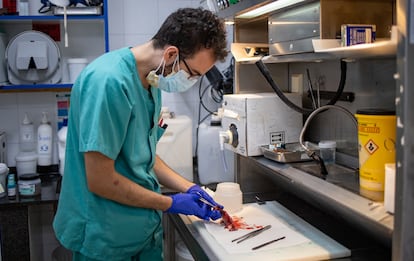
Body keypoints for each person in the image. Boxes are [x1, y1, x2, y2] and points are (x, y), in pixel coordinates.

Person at [53, 7, 228, 261]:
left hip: (142, 233)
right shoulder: (108, 82)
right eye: (193, 74)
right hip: (105, 238)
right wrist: (171, 203)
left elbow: (143, 154)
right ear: (171, 54)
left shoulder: (152, 80)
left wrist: (190, 188)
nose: (191, 81)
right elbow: (100, 179)